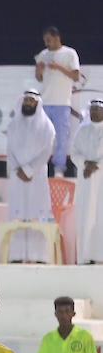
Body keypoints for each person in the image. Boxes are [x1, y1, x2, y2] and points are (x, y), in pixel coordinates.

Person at [5, 90, 57, 262]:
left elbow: (46, 152)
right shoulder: (13, 126)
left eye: (31, 101)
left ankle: (39, 256)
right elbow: (10, 151)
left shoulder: (47, 126)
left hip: (36, 177)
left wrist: (28, 170)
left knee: (37, 214)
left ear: (37, 103)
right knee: (17, 213)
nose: (28, 104)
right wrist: (18, 169)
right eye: (26, 100)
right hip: (17, 178)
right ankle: (17, 256)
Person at [35, 26, 82, 176]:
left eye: (48, 40)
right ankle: (40, 166)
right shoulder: (43, 54)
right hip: (45, 101)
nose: (46, 43)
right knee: (42, 137)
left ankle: (59, 168)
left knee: (61, 137)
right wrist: (39, 70)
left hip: (62, 102)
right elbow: (39, 78)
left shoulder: (70, 53)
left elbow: (75, 76)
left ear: (57, 38)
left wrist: (58, 67)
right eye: (45, 40)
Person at [70, 99, 103, 263]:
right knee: (85, 218)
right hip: (85, 180)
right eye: (92, 109)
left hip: (100, 180)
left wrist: (96, 166)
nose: (94, 112)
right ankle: (85, 257)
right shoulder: (82, 130)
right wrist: (85, 164)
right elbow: (74, 151)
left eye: (97, 109)